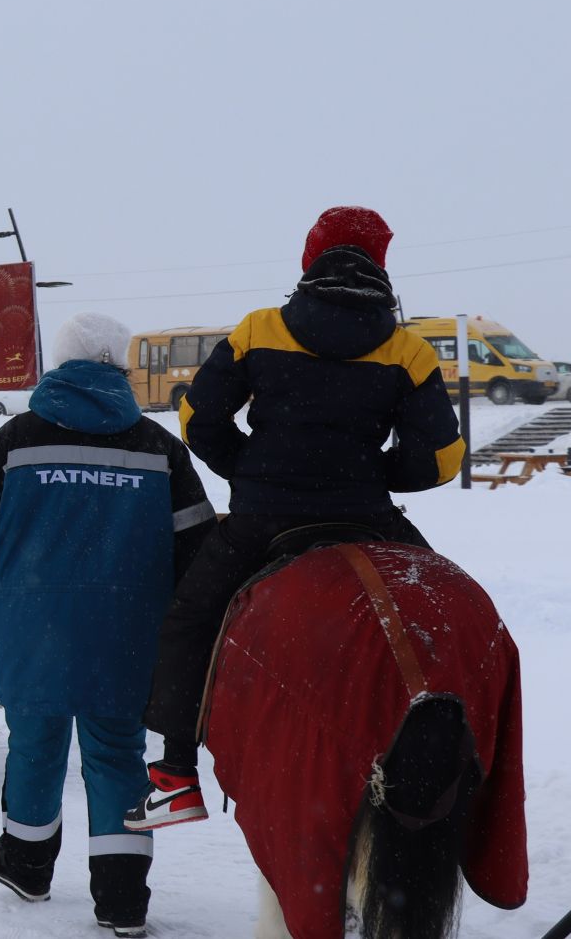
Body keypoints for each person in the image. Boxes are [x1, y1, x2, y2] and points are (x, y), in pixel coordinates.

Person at [130, 206, 466, 832]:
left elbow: (197, 419)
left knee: (189, 618)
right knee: (445, 611)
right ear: (380, 265)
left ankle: (175, 776)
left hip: (264, 519)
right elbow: (443, 458)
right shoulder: (408, 348)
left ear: (310, 259)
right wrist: (373, 476)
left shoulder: (259, 329)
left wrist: (252, 472)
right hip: (367, 518)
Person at [0, 313, 215, 938]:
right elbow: (200, 553)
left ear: (59, 366)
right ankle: (122, 898)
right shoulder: (159, 448)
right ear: (120, 368)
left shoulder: (14, 442)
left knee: (35, 741)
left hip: (30, 627)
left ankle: (27, 864)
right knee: (117, 752)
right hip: (127, 632)